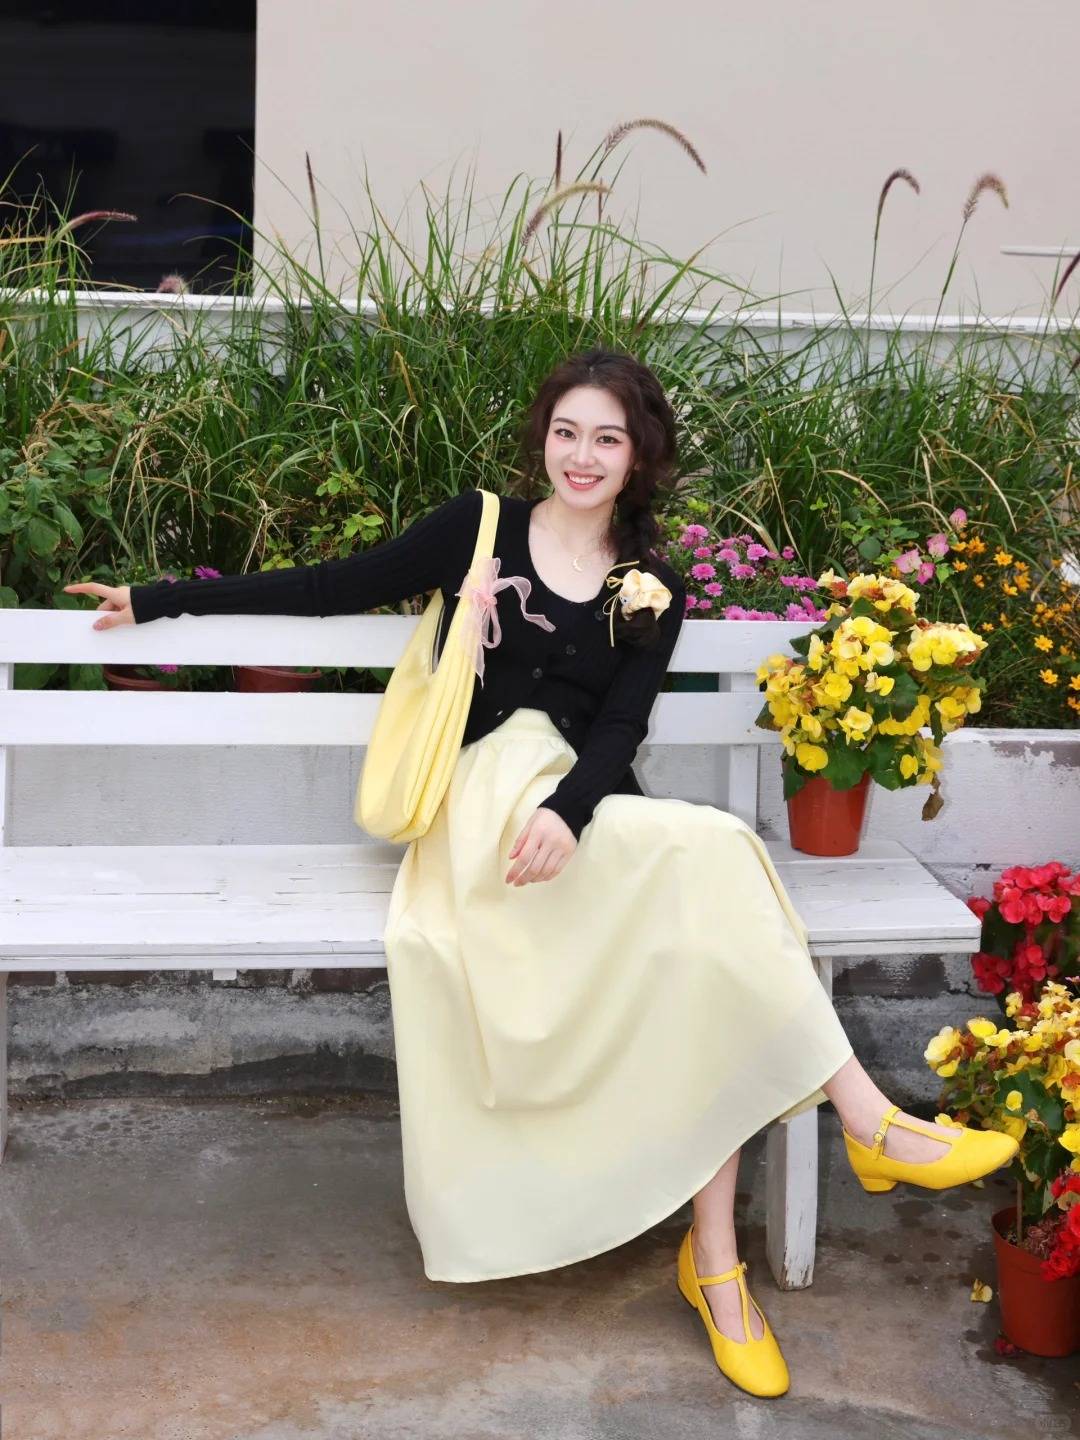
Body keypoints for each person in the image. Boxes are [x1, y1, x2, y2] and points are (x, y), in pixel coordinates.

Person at [64, 347, 1018, 1399]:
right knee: (716, 866)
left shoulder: (651, 588)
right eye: (567, 432)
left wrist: (569, 811)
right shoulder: (478, 529)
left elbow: (620, 728)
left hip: (578, 821)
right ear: (543, 440)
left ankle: (724, 1261)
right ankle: (858, 1133)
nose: (583, 455)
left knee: (710, 938)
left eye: (607, 438)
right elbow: (334, 586)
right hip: (481, 817)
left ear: (639, 456)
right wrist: (157, 600)